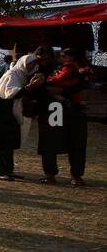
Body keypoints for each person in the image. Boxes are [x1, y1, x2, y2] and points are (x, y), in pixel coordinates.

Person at [0, 50, 49, 181]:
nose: (31, 67)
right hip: (2, 110)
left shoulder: (22, 76)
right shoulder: (12, 75)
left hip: (11, 112)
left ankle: (8, 170)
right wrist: (30, 87)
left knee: (9, 142)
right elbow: (10, 93)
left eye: (33, 65)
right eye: (29, 64)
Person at [31, 47, 90, 186]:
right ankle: (50, 174)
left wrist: (62, 91)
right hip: (51, 111)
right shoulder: (37, 70)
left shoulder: (70, 68)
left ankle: (76, 175)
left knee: (77, 143)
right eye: (40, 58)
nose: (43, 61)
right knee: (49, 144)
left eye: (45, 58)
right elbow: (36, 90)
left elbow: (82, 83)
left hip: (74, 111)